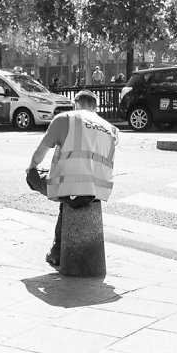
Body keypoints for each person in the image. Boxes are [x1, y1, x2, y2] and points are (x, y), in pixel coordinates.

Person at [26, 90, 117, 268]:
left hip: (67, 187)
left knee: (34, 176)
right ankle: (57, 251)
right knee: (70, 194)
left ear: (76, 104)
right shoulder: (110, 128)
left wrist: (31, 168)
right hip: (98, 190)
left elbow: (40, 152)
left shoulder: (65, 118)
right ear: (95, 107)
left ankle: (57, 252)